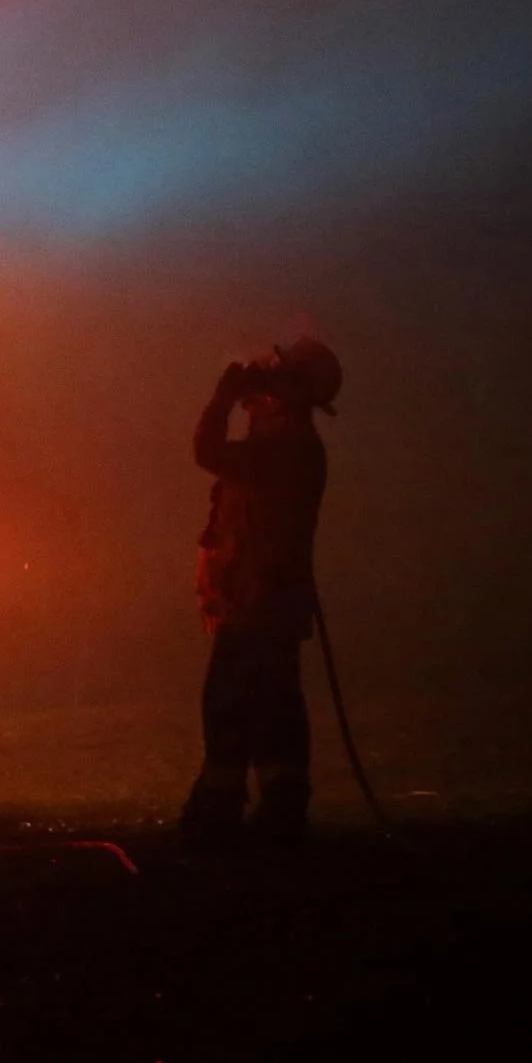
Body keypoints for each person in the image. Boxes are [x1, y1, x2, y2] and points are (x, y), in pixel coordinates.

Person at [180, 337, 343, 847]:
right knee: (273, 702)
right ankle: (277, 809)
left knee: (229, 699)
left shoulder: (285, 448)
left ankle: (222, 808)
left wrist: (224, 397)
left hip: (259, 600)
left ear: (289, 392)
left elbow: (206, 452)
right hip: (260, 597)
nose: (262, 379)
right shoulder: (279, 445)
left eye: (275, 375)